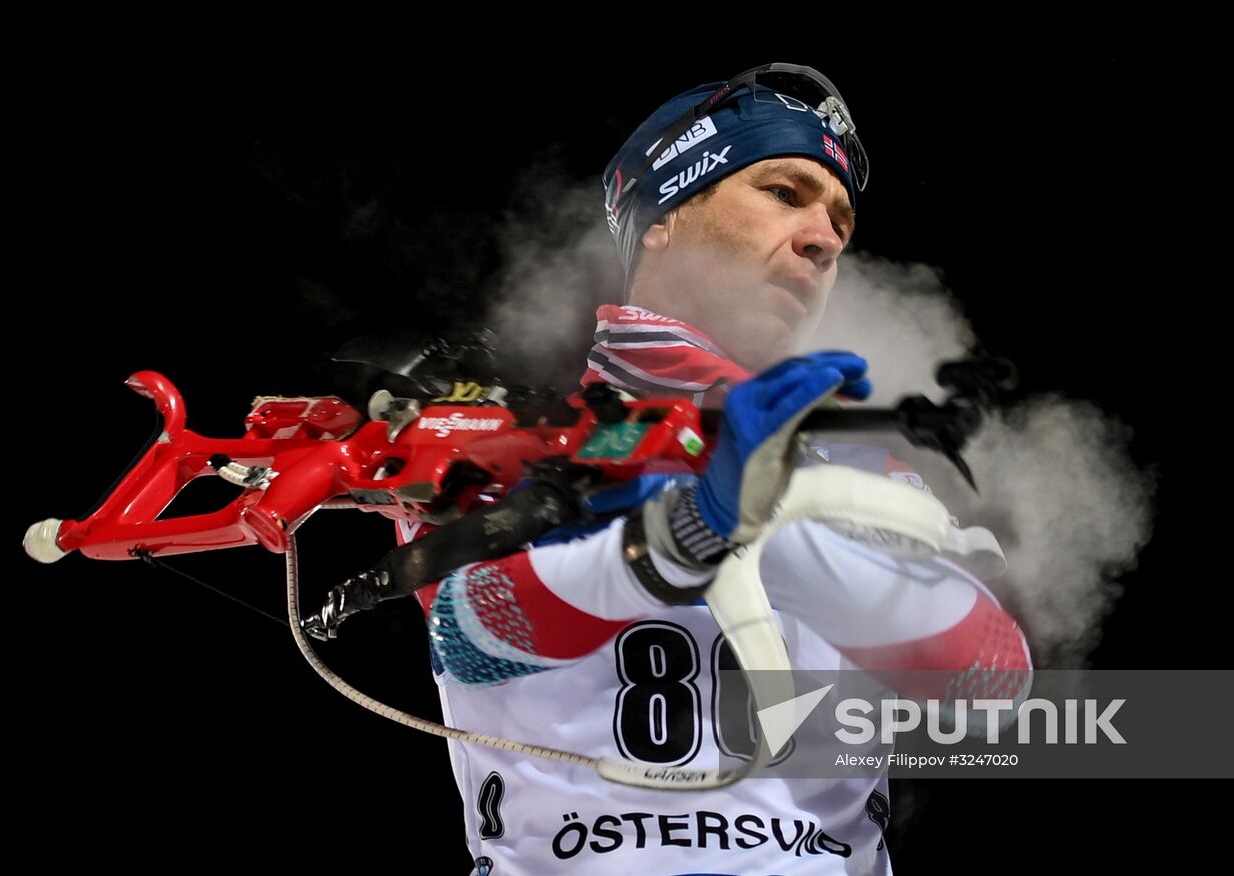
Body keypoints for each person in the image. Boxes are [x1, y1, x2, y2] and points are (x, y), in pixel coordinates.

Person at [395, 63, 1033, 875]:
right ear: (664, 217)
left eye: (839, 218)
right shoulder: (499, 440)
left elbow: (993, 684)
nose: (825, 237)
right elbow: (471, 631)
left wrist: (768, 517)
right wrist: (689, 526)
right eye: (783, 191)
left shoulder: (871, 471)